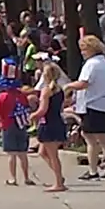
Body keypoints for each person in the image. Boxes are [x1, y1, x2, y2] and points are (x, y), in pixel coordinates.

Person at [65, 35, 105, 179]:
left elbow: (84, 83)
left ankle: (93, 171)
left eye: (84, 49)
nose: (82, 52)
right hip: (102, 104)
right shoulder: (104, 63)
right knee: (103, 139)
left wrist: (68, 86)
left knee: (90, 138)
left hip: (92, 104)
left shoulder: (91, 64)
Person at [0, 62, 35, 187]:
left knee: (12, 154)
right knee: (23, 154)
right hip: (21, 125)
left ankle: (13, 178)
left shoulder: (2, 97)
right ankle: (27, 177)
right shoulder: (21, 95)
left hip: (8, 125)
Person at [30, 56, 70, 192]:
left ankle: (59, 182)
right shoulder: (59, 90)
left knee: (53, 155)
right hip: (57, 121)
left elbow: (43, 110)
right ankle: (59, 176)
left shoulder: (47, 90)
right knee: (43, 152)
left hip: (48, 123)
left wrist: (32, 116)